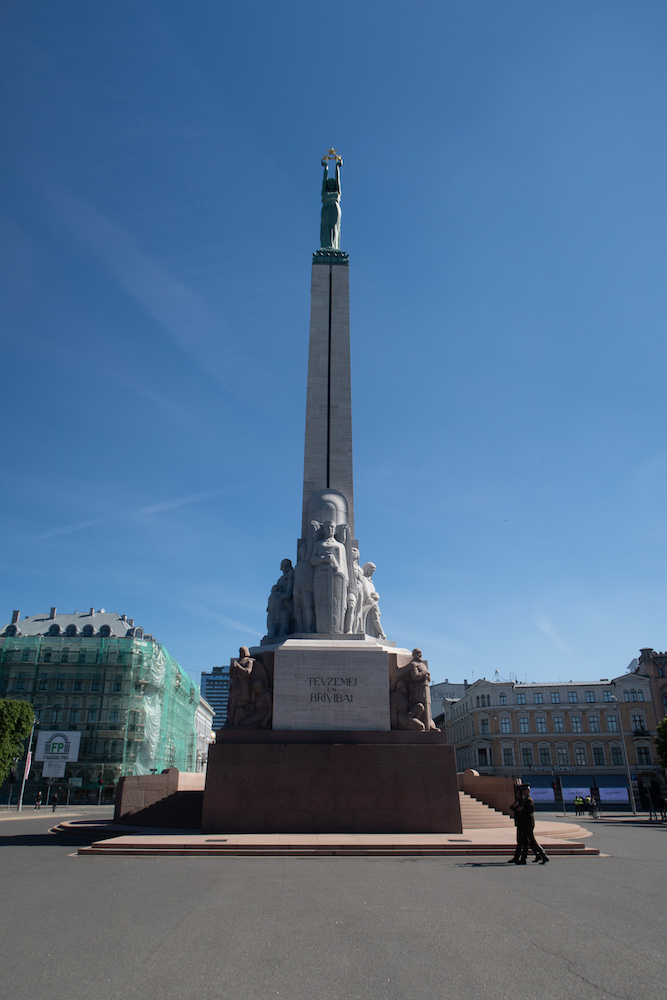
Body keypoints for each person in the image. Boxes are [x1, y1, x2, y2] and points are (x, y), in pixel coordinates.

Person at [509, 785, 549, 864]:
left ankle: (543, 855)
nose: (521, 792)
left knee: (530, 840)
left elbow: (525, 811)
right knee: (524, 841)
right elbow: (515, 809)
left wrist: (518, 809)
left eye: (523, 790)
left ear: (527, 791)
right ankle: (524, 858)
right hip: (522, 822)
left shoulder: (528, 801)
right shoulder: (522, 800)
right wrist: (515, 808)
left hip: (527, 822)